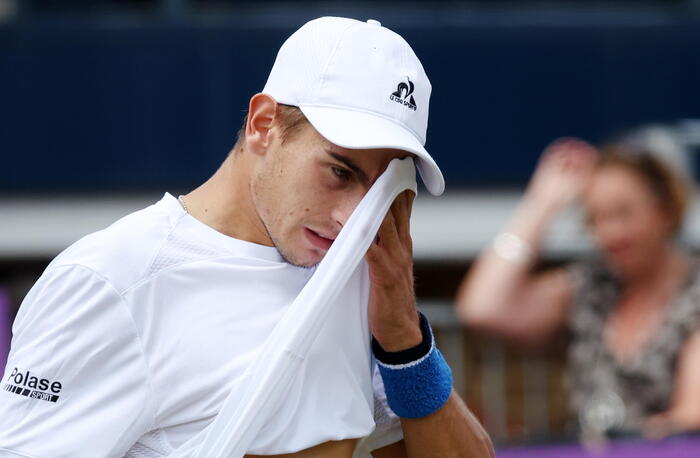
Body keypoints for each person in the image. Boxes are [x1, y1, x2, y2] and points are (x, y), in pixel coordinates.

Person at [0, 17, 493, 458]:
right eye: (340, 172)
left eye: (380, 189)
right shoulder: (109, 281)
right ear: (263, 125)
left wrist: (405, 340)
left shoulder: (356, 281)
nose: (354, 218)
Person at [456, 137, 700, 441]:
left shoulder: (694, 293)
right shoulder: (591, 286)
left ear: (666, 209)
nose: (611, 233)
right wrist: (542, 203)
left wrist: (615, 442)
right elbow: (481, 307)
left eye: (624, 213)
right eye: (596, 218)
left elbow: (692, 417)